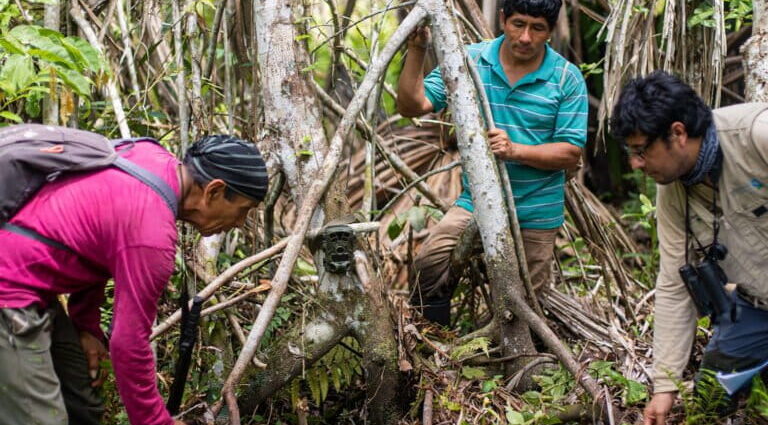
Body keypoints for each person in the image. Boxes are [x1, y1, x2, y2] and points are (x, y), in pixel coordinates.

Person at [0, 134, 268, 425]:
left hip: (28, 279)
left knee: (83, 405)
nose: (240, 223)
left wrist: (86, 325)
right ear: (214, 191)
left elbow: (95, 239)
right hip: (11, 292)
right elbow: (128, 345)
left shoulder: (146, 154)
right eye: (243, 210)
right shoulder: (152, 237)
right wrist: (155, 421)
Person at [397, 0, 588, 325]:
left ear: (551, 31)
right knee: (428, 264)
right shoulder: (470, 61)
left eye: (537, 28)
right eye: (518, 24)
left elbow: (570, 152)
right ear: (502, 19)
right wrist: (417, 49)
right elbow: (412, 106)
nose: (525, 37)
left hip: (537, 211)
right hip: (476, 202)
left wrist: (515, 150)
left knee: (523, 306)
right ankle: (434, 347)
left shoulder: (566, 79)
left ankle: (506, 358)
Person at [611, 71, 768, 424]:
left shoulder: (756, 135)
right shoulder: (673, 191)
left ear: (678, 133)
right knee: (710, 400)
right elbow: (672, 283)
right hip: (756, 309)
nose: (636, 164)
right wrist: (664, 386)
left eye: (640, 151)